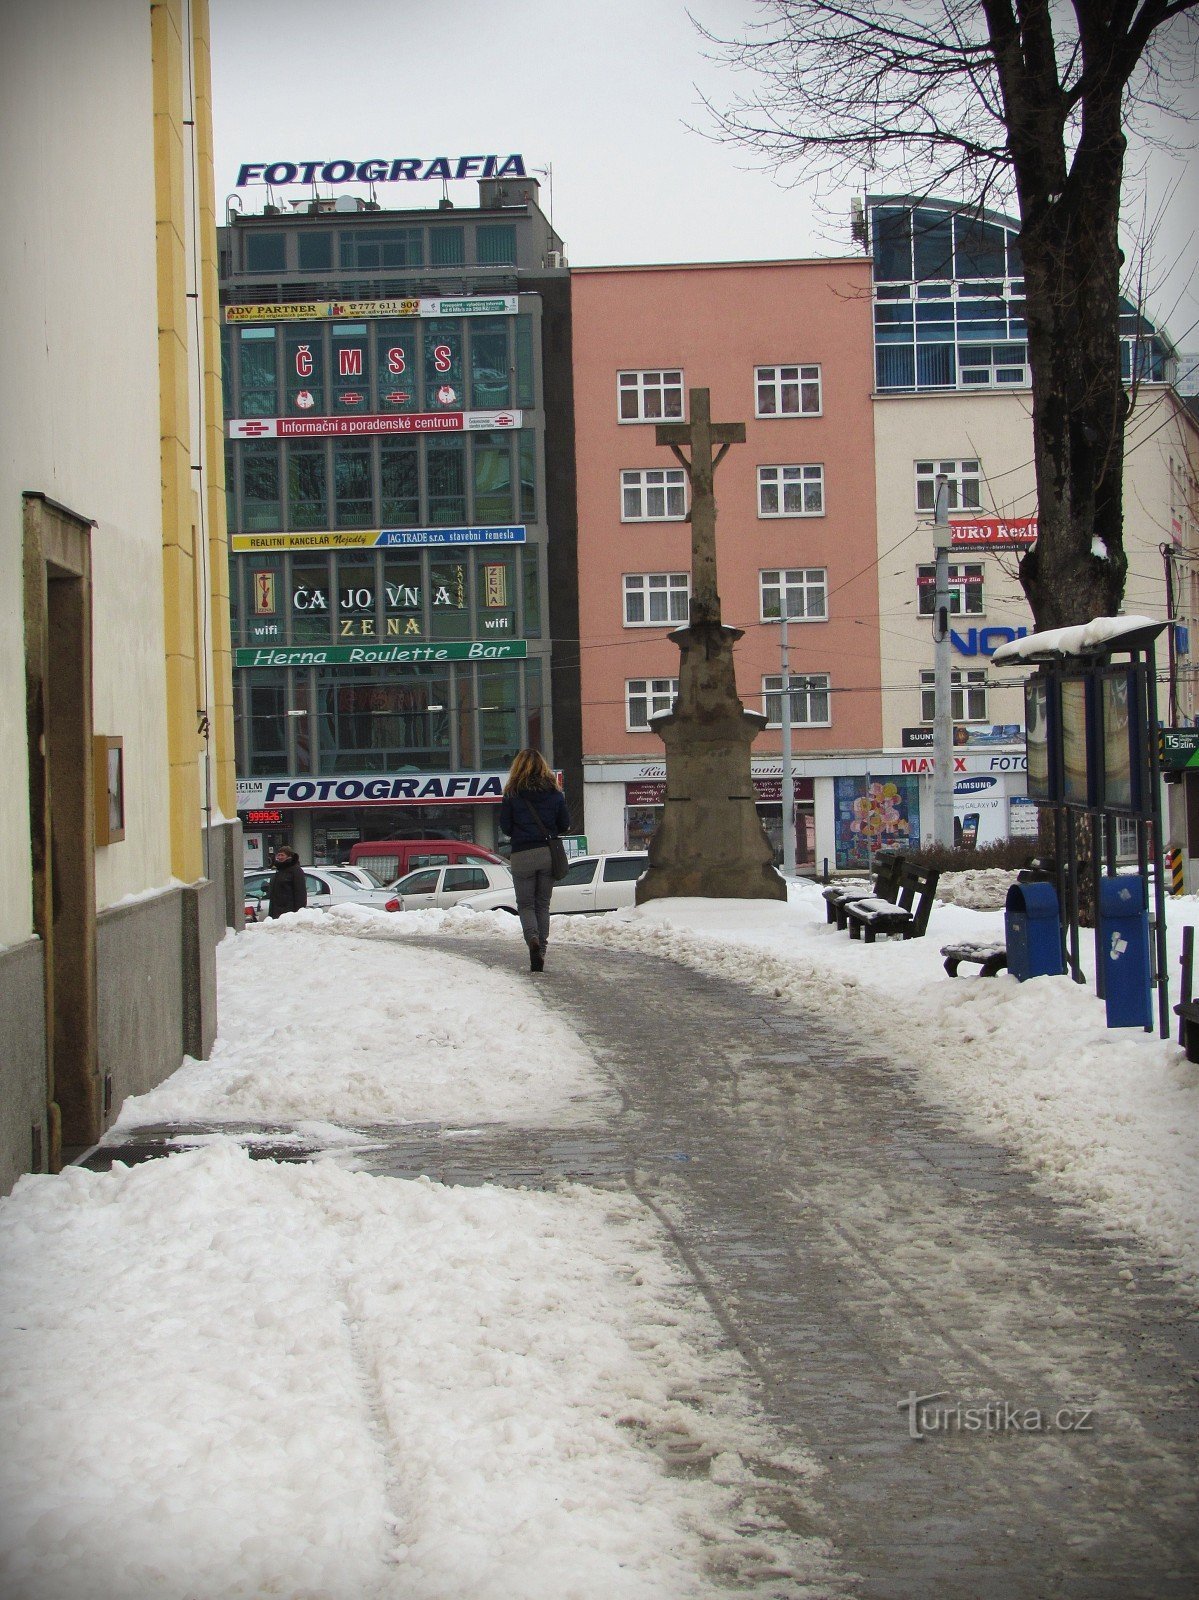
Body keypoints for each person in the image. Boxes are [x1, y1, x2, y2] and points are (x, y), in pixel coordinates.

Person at [499, 749, 570, 972]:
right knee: (542, 905)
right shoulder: (555, 793)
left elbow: (505, 826)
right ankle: (541, 951)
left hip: (521, 854)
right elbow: (564, 824)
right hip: (547, 853)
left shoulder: (512, 793)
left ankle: (532, 940)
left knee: (526, 904)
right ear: (543, 767)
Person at [266, 847, 308, 919]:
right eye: (278, 855)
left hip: (289, 912)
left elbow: (300, 893)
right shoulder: (279, 870)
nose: (279, 857)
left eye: (282, 855)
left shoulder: (295, 870)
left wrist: (298, 913)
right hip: (276, 911)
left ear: (289, 856)